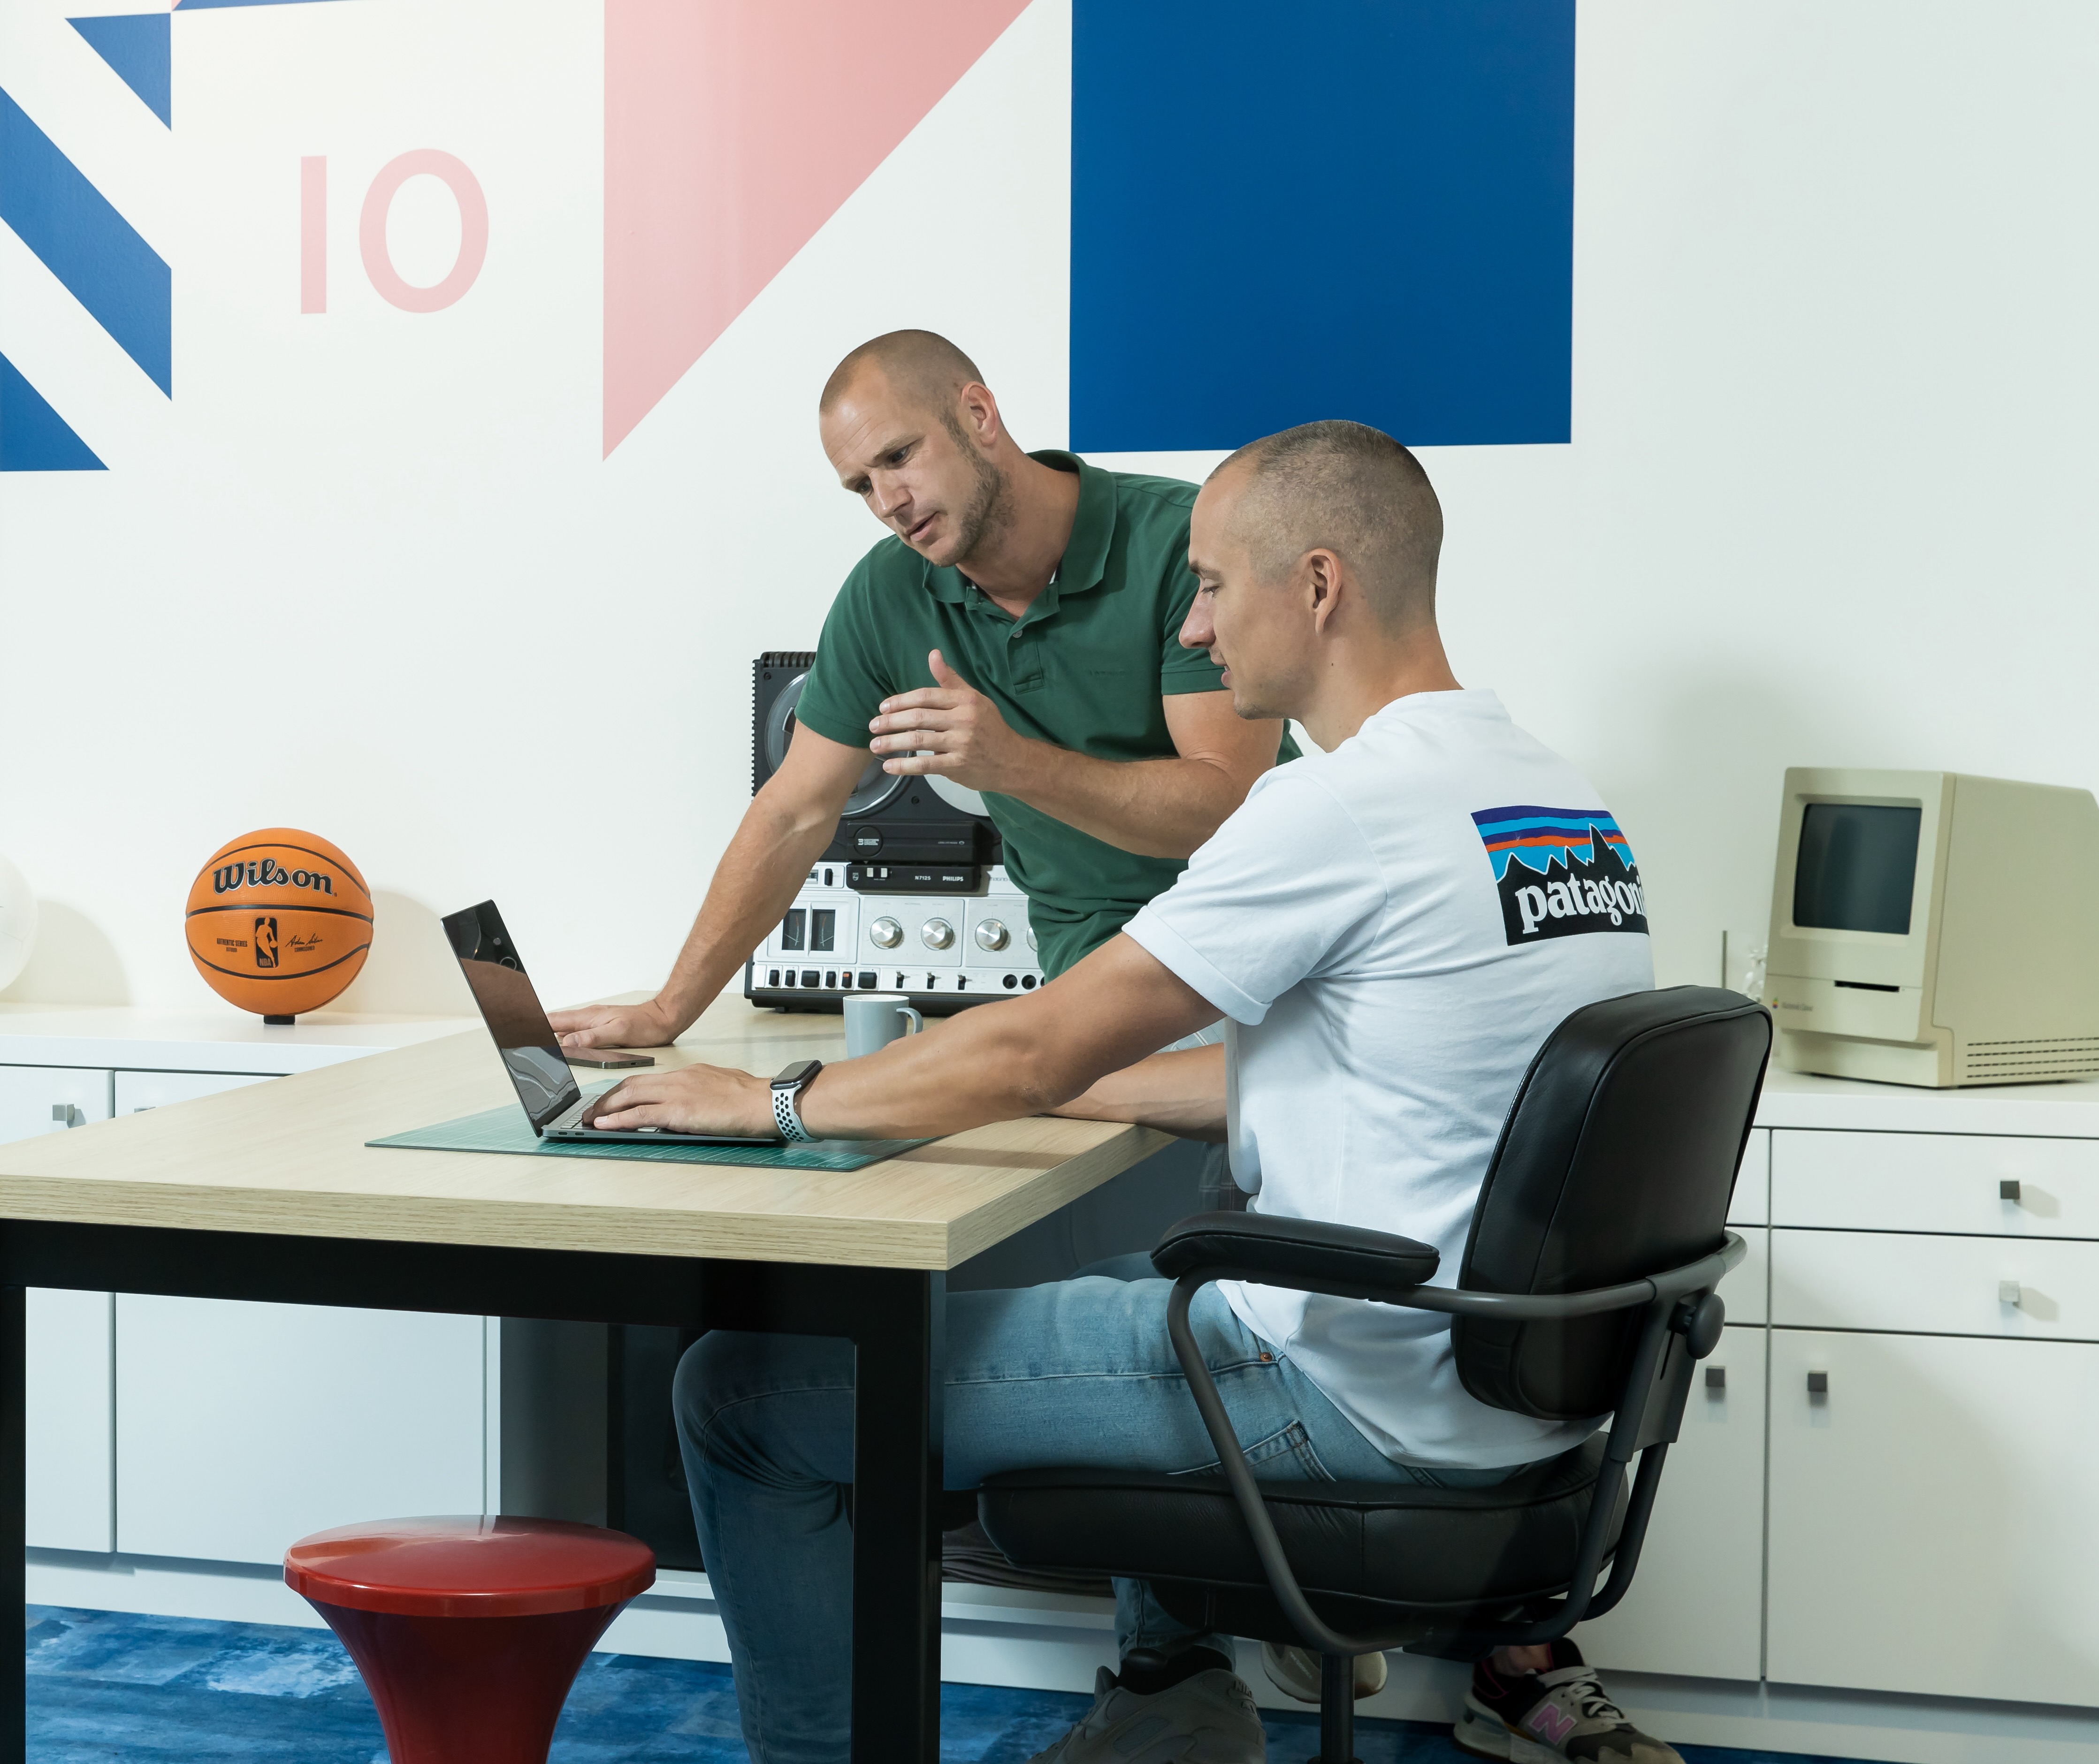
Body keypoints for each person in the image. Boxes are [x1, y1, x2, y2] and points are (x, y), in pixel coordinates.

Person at [584, 422, 1685, 1764]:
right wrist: (1052, 1097)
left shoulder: (1339, 808)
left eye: (1211, 586)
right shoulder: (1554, 801)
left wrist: (777, 1102)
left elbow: (1034, 1047)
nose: (1197, 627)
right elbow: (1397, 1084)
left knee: (740, 1394)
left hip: (1341, 1389)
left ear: (1317, 586)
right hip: (1510, 1391)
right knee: (1136, 1269)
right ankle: (1174, 1708)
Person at [549, 329, 1294, 1056]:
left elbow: (1227, 808)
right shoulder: (885, 592)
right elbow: (793, 813)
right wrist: (667, 1010)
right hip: (1094, 970)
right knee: (951, 1091)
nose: (888, 501)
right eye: (861, 486)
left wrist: (1014, 764)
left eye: (898, 457)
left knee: (968, 1085)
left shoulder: (1180, 542)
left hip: (1255, 937)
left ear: (978, 414)